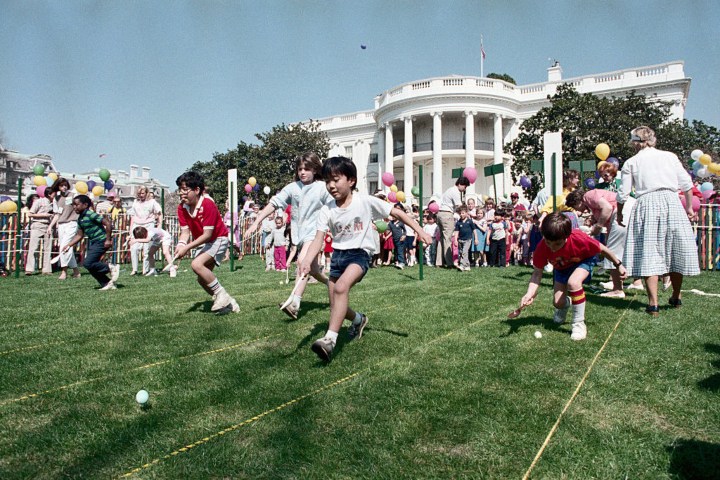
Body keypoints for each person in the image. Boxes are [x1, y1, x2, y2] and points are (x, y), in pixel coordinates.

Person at [298, 156, 432, 361]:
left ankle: (330, 339)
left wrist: (420, 231)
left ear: (351, 181)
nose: (331, 185)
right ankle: (359, 319)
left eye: (336, 179)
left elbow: (397, 213)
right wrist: (307, 260)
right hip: (338, 256)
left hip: (359, 254)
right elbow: (318, 239)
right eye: (327, 181)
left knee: (341, 288)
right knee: (335, 302)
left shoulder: (365, 201)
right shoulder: (327, 210)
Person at [616, 126, 700, 315]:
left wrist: (620, 213)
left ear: (636, 142)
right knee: (675, 250)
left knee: (649, 252)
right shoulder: (669, 156)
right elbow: (687, 184)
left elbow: (623, 193)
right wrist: (688, 207)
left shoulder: (631, 162)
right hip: (671, 201)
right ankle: (676, 295)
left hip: (647, 203)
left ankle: (653, 303)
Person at [245, 152, 334, 320]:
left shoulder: (322, 187)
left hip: (315, 233)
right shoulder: (292, 188)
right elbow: (274, 203)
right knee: (313, 270)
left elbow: (335, 204)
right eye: (300, 169)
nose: (303, 172)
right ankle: (332, 285)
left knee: (301, 262)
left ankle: (295, 304)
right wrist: (257, 221)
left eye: (307, 169)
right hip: (298, 235)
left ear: (315, 170)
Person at [518, 212, 627, 341]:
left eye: (557, 244)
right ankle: (567, 303)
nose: (552, 248)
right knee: (558, 303)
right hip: (561, 269)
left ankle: (578, 324)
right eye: (548, 243)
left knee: (574, 283)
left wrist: (618, 264)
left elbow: (602, 249)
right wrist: (529, 294)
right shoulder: (542, 248)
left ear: (567, 236)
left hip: (583, 261)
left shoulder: (579, 238)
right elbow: (537, 274)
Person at [174, 171, 239, 314]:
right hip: (206, 242)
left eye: (185, 189)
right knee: (202, 279)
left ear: (197, 190)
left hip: (218, 239)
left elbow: (207, 234)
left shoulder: (208, 204)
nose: (181, 193)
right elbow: (185, 233)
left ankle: (222, 295)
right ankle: (229, 302)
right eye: (180, 190)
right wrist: (180, 245)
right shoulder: (181, 208)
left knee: (196, 264)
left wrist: (187, 248)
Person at [63, 195, 120, 290]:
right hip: (95, 242)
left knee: (87, 263)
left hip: (102, 241)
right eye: (73, 205)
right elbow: (79, 235)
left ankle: (111, 267)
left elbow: (107, 223)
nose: (74, 207)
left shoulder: (90, 214)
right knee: (90, 266)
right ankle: (107, 283)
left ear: (85, 205)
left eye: (76, 205)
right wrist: (68, 245)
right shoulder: (80, 219)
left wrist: (108, 239)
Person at [48, 178, 82, 280]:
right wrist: (50, 226)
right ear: (58, 187)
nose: (64, 187)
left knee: (64, 246)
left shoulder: (73, 195)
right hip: (61, 225)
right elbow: (57, 214)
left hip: (72, 223)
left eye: (65, 185)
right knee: (67, 248)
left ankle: (64, 271)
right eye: (62, 185)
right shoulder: (56, 198)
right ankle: (76, 271)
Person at [436, 177, 470, 267]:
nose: (464, 189)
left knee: (442, 239)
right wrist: (468, 213)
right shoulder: (455, 192)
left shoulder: (449, 190)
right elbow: (459, 207)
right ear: (460, 184)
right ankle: (449, 263)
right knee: (447, 239)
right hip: (447, 214)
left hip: (440, 213)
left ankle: (439, 262)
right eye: (465, 187)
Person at [128, 186, 162, 275]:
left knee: (147, 249)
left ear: (146, 193)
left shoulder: (152, 202)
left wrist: (159, 224)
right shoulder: (135, 202)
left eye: (142, 193)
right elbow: (132, 216)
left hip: (148, 225)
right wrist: (130, 230)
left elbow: (159, 212)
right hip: (137, 226)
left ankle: (145, 269)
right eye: (139, 193)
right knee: (134, 247)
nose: (141, 195)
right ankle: (134, 269)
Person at [25, 190, 54, 275]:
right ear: (49, 194)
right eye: (53, 194)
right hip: (37, 225)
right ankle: (29, 269)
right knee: (33, 248)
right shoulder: (39, 201)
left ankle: (46, 270)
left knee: (48, 249)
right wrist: (44, 215)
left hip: (48, 226)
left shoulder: (54, 203)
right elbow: (30, 214)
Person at [453, 205, 477, 271]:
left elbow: (474, 230)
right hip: (460, 240)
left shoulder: (470, 221)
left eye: (463, 213)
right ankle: (467, 265)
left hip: (468, 240)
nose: (461, 215)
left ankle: (462, 265)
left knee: (464, 252)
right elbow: (456, 232)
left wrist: (476, 238)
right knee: (461, 253)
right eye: (460, 213)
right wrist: (455, 240)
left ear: (466, 213)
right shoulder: (458, 223)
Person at [388, 205, 407, 269]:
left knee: (400, 250)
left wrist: (404, 235)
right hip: (394, 239)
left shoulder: (401, 222)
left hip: (400, 239)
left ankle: (401, 262)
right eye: (392, 216)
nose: (393, 217)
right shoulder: (390, 223)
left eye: (394, 216)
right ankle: (396, 261)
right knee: (395, 250)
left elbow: (404, 230)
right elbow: (388, 229)